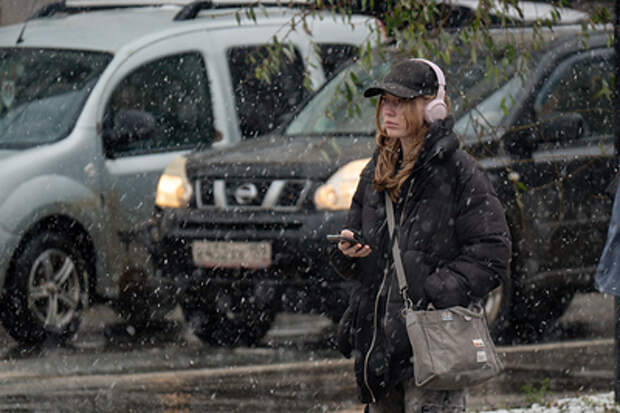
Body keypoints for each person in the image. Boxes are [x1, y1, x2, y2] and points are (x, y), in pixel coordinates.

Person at [329, 58, 512, 412]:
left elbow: (492, 252)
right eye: (385, 101)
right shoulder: (376, 171)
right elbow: (364, 257)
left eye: (400, 102)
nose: (389, 111)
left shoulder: (458, 171)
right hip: (379, 350)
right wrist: (347, 254)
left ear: (432, 108)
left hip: (432, 347)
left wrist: (435, 291)